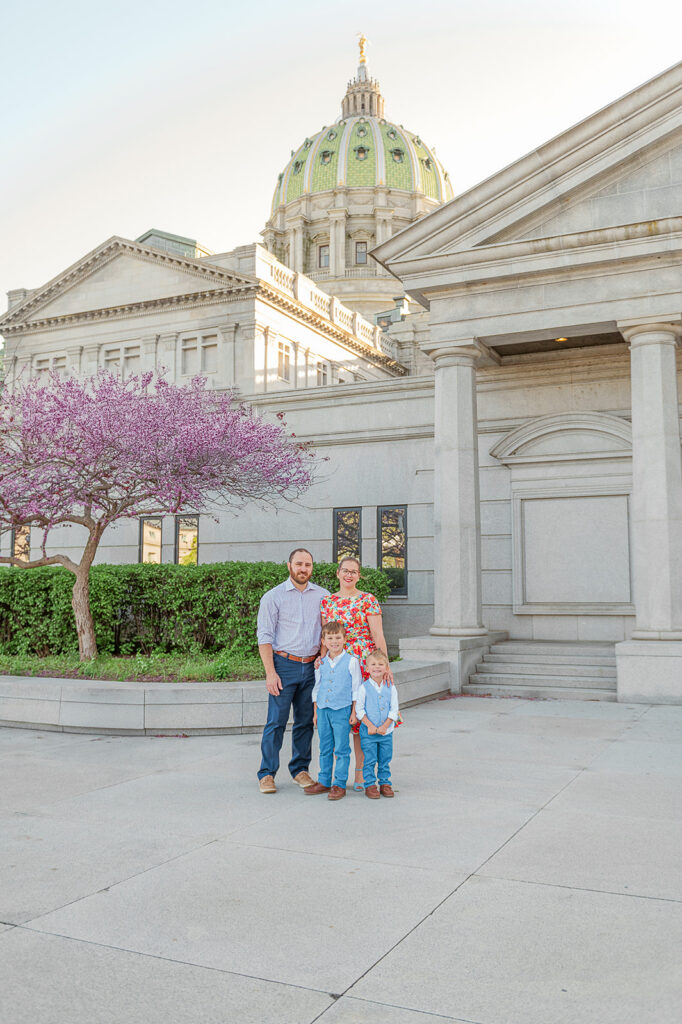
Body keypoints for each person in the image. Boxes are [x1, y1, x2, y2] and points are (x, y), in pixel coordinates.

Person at [256, 548, 329, 794]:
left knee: (305, 722)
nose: (303, 569)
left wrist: (323, 658)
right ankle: (266, 774)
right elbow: (264, 637)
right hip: (283, 666)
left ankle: (300, 770)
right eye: (299, 564)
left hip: (311, 667)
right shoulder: (273, 597)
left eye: (308, 565)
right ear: (289, 566)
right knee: (276, 722)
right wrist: (270, 672)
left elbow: (327, 633)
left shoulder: (322, 596)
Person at [320, 556, 391, 791]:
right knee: (340, 719)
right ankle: (333, 776)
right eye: (345, 570)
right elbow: (326, 636)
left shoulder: (368, 600)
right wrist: (322, 659)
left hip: (364, 661)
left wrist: (385, 665)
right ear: (338, 573)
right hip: (337, 663)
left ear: (359, 575)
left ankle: (361, 773)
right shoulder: (327, 602)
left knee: (360, 719)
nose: (349, 575)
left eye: (354, 571)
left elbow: (378, 635)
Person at [304, 621, 362, 801]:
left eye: (338, 637)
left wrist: (354, 712)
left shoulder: (352, 661)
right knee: (325, 746)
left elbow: (356, 689)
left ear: (345, 639)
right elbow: (317, 687)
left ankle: (339, 783)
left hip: (342, 710)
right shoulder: (321, 663)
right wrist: (315, 712)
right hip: (323, 710)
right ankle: (324, 780)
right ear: (323, 641)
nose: (334, 641)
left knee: (342, 748)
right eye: (330, 638)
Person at [354, 649, 399, 799]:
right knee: (370, 758)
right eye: (373, 664)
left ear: (386, 668)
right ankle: (370, 784)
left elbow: (394, 709)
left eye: (381, 664)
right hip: (369, 732)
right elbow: (359, 710)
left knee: (385, 758)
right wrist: (370, 726)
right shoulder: (363, 688)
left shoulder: (390, 687)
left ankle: (385, 782)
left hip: (386, 732)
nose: (377, 667)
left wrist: (385, 726)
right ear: (367, 668)